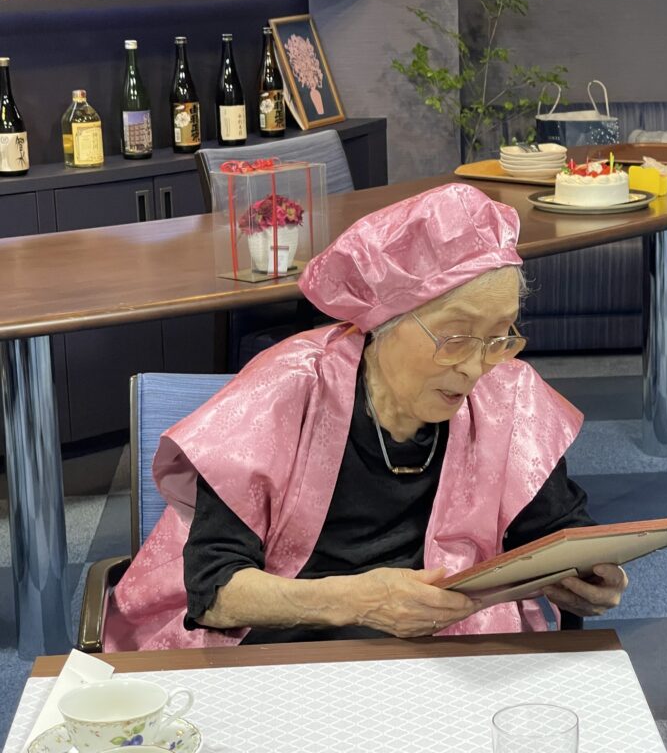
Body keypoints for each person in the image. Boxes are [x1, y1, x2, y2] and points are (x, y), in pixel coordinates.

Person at [104, 182, 628, 651]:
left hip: (452, 649)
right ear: (385, 320)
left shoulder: (506, 395)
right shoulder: (287, 391)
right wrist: (359, 602)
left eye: (499, 337)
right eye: (456, 338)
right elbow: (214, 590)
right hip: (293, 646)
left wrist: (588, 574)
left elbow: (557, 530)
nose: (476, 368)